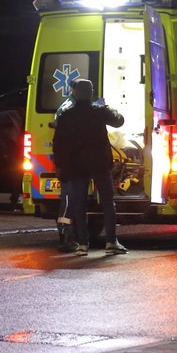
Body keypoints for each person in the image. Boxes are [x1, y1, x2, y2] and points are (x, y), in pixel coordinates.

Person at [52, 79, 128, 255]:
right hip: (100, 164)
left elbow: (59, 143)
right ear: (91, 92)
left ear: (75, 93)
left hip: (78, 166)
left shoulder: (67, 115)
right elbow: (119, 121)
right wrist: (108, 107)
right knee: (108, 202)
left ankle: (83, 244)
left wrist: (60, 166)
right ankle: (111, 242)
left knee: (80, 205)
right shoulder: (99, 111)